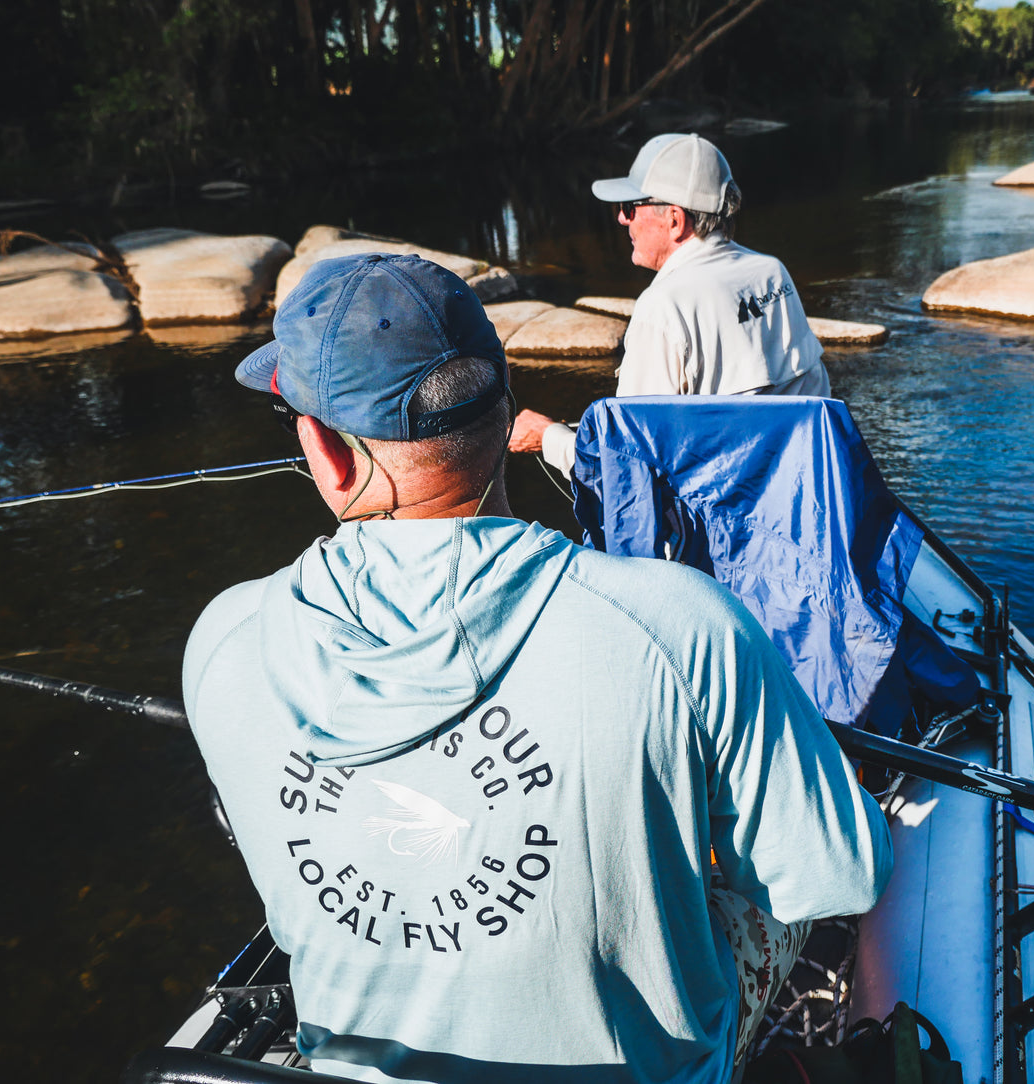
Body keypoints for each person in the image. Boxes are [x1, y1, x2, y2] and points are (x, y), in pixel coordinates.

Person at [183, 252, 891, 1084]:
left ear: (326, 454)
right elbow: (836, 875)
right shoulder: (682, 624)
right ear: (505, 411)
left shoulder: (223, 637)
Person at [510, 132, 830, 474]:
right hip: (795, 491)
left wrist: (547, 437)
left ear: (675, 220)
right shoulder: (772, 273)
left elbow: (628, 469)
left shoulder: (663, 307)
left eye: (630, 207)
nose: (621, 219)